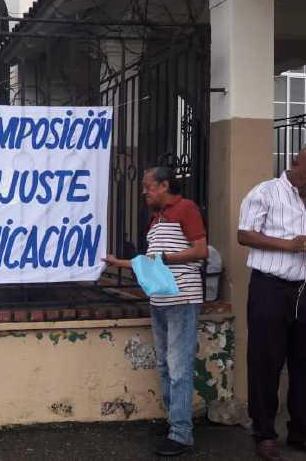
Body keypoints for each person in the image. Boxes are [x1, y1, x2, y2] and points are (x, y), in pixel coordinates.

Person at [237, 146, 306, 461]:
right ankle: (265, 434)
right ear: (294, 163)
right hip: (270, 288)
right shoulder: (265, 193)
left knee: (305, 365)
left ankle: (301, 433)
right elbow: (244, 235)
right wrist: (288, 245)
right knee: (265, 364)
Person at [103, 166, 208, 457]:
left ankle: (181, 434)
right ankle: (175, 422)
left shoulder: (186, 209)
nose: (144, 191)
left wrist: (164, 259)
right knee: (165, 365)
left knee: (178, 366)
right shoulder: (156, 218)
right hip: (160, 299)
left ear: (164, 185)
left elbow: (201, 250)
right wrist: (119, 263)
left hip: (182, 298)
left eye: (148, 186)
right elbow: (151, 261)